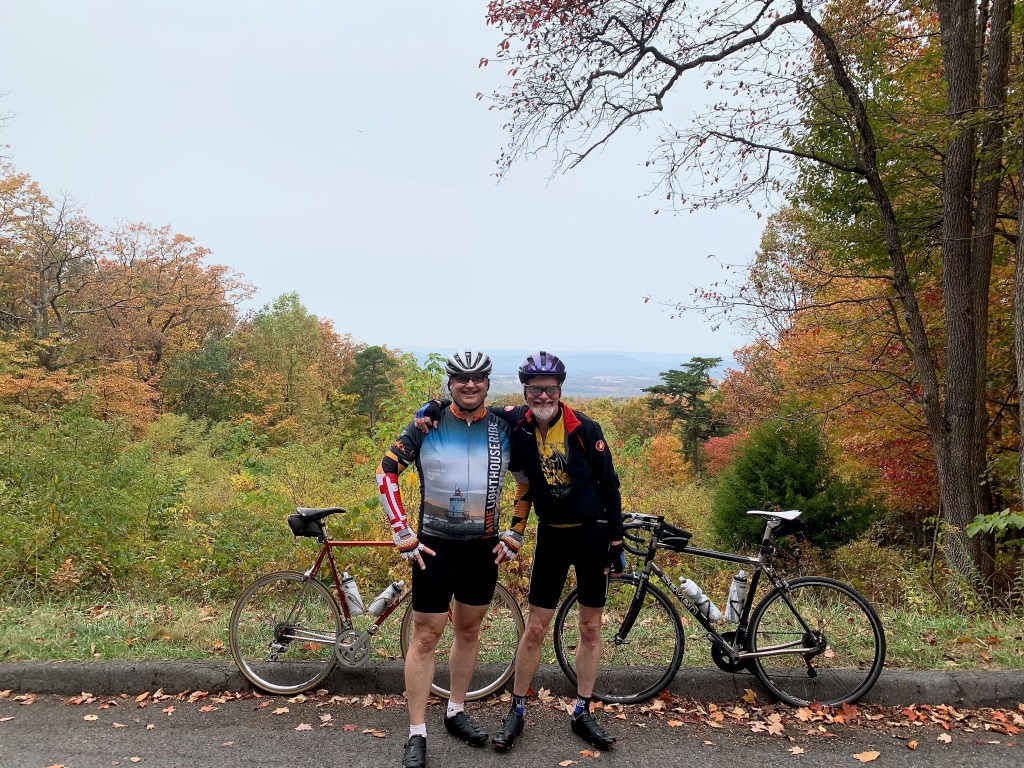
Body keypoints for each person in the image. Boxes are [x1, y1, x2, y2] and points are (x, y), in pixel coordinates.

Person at [417, 351, 624, 752]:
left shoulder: (584, 428)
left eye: (550, 389)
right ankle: (517, 708)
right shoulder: (516, 422)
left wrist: (615, 543)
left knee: (591, 627)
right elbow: (470, 402)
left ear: (560, 389)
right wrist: (434, 405)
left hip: (593, 534)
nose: (543, 396)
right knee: (535, 628)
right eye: (535, 389)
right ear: (525, 391)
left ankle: (583, 710)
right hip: (552, 536)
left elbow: (609, 484)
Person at [376, 349, 524, 768]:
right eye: (461, 378)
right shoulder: (428, 422)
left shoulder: (505, 426)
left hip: (483, 546)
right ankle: (416, 731)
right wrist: (401, 531)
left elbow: (525, 481)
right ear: (451, 383)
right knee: (426, 636)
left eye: (478, 378)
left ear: (488, 384)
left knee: (469, 630)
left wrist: (516, 531)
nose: (470, 384)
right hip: (434, 545)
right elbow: (386, 471)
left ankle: (455, 710)